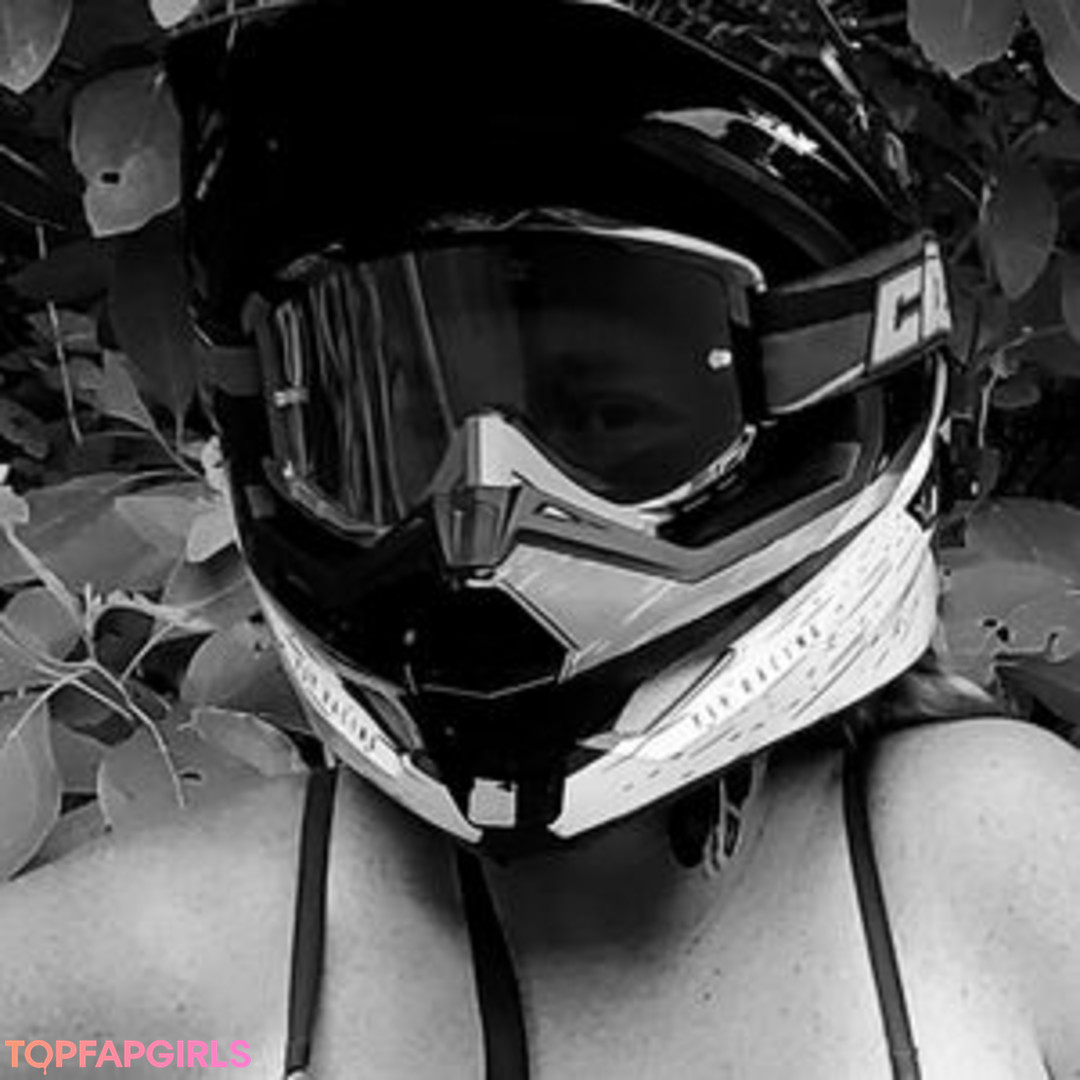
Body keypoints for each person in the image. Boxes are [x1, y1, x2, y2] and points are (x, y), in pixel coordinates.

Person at [2, 1, 1080, 1077]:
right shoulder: (149, 977)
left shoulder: (1010, 869)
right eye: (402, 427)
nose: (483, 512)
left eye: (604, 415)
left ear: (839, 390)